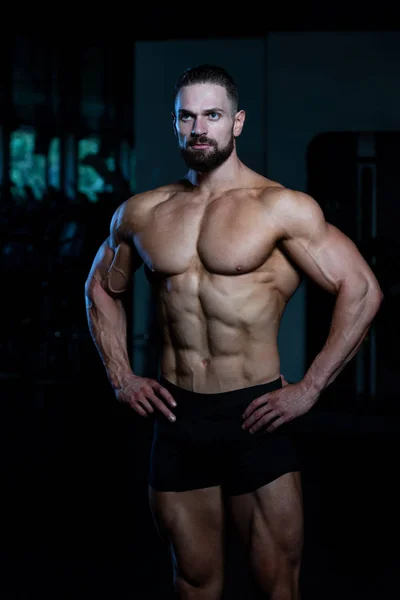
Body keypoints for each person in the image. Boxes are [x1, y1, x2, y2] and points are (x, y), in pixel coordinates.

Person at [84, 64, 383, 600]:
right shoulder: (144, 213)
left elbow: (360, 289)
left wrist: (310, 388)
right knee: (194, 582)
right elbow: (99, 288)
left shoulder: (280, 208)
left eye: (213, 115)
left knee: (276, 586)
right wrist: (121, 377)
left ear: (237, 123)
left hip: (255, 416)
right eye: (187, 116)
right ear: (175, 124)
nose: (199, 127)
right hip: (176, 417)